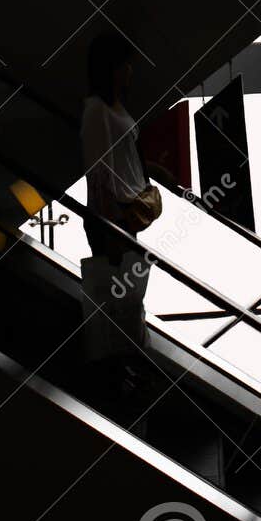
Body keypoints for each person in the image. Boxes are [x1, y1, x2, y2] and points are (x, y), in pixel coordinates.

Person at [79, 33, 157, 400]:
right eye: (125, 64)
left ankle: (123, 370)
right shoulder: (97, 110)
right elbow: (100, 171)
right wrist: (110, 223)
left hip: (123, 216)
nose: (131, 71)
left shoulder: (113, 107)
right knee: (120, 294)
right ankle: (118, 375)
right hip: (112, 218)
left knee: (127, 293)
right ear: (112, 68)